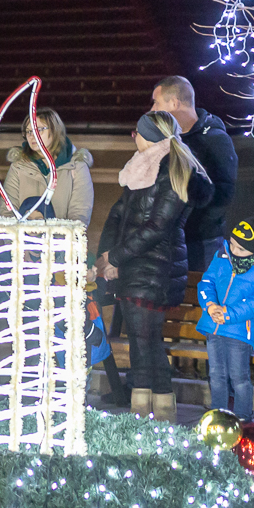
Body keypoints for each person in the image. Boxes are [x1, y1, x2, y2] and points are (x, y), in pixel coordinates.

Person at [96, 110, 210, 421]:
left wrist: (115, 257)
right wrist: (105, 255)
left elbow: (157, 226)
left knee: (145, 342)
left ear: (151, 135)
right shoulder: (141, 169)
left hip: (155, 267)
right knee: (141, 340)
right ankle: (156, 410)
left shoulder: (172, 171)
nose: (134, 137)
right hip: (135, 267)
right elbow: (119, 214)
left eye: (136, 132)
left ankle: (147, 411)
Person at [196, 219, 254, 421]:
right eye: (232, 244)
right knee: (216, 375)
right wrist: (210, 306)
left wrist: (228, 314)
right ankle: (218, 417)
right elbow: (206, 282)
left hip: (240, 331)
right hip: (214, 326)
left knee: (239, 377)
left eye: (240, 249)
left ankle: (243, 418)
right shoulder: (222, 256)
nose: (233, 251)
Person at [149, 76, 236, 272]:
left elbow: (223, 195)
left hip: (202, 244)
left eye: (156, 102)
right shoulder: (167, 142)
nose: (153, 110)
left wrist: (187, 224)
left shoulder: (215, 140)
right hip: (169, 242)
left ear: (174, 103)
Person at [0, 107, 94, 225]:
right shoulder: (18, 166)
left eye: (39, 129)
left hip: (61, 241)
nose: (32, 136)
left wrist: (60, 237)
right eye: (28, 131)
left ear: (54, 130)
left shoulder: (76, 167)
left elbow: (80, 214)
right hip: (23, 240)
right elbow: (8, 210)